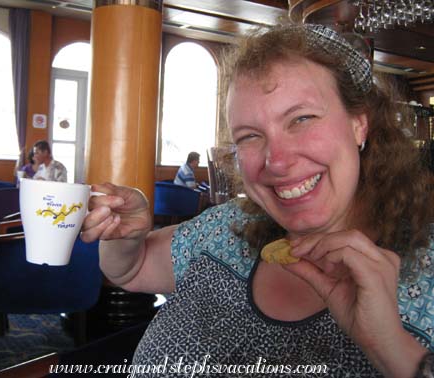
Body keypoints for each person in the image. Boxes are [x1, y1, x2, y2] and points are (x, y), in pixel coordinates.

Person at [81, 24, 434, 377]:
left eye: (302, 118)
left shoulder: (426, 273)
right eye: (250, 136)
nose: (276, 162)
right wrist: (125, 239)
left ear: (359, 124)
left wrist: (391, 348)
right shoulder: (226, 229)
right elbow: (131, 269)